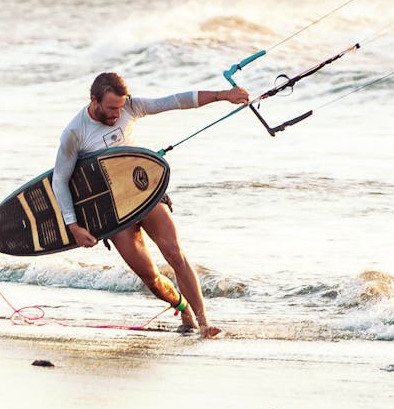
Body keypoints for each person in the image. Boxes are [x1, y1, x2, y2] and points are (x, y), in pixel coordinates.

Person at [51, 72, 249, 338]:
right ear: (94, 100)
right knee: (151, 279)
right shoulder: (75, 133)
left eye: (120, 107)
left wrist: (221, 96)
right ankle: (182, 307)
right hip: (114, 213)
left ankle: (203, 322)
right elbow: (60, 180)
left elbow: (175, 101)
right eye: (111, 108)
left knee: (175, 253)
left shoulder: (130, 107)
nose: (116, 114)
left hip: (144, 192)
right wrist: (72, 225)